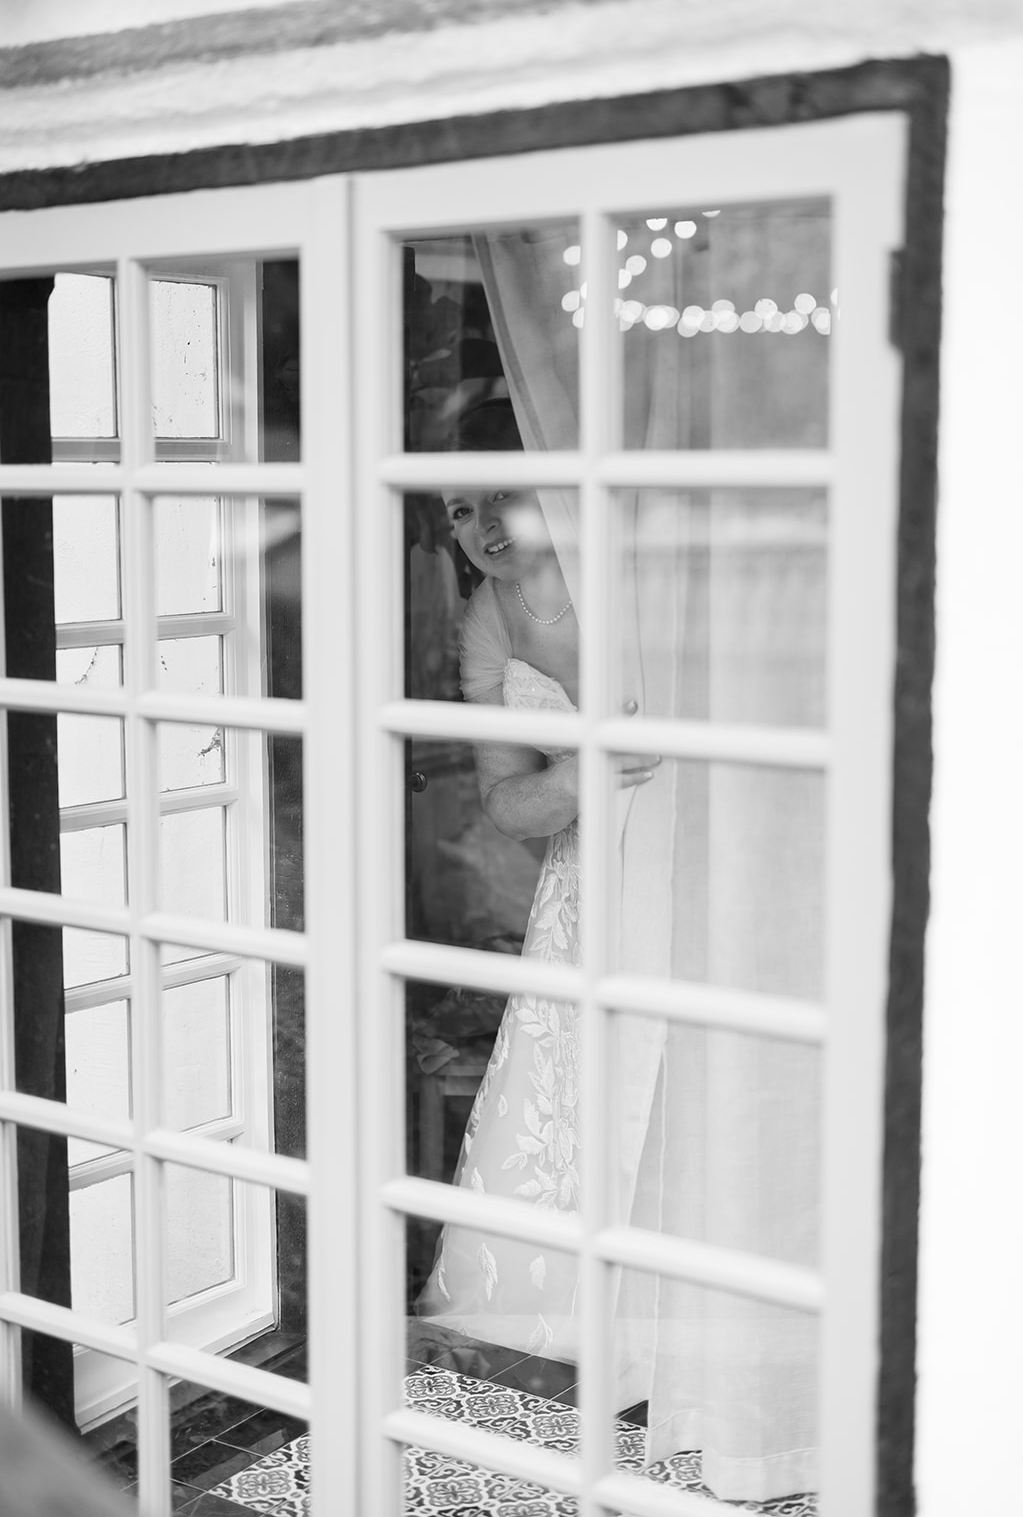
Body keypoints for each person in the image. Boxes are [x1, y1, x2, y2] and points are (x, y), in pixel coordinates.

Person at [416, 399, 656, 1375]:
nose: (476, 528)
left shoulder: (639, 579)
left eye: (498, 497)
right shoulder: (482, 619)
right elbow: (503, 801)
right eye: (456, 511)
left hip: (689, 859)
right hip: (582, 879)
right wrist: (569, 779)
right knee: (576, 1092)